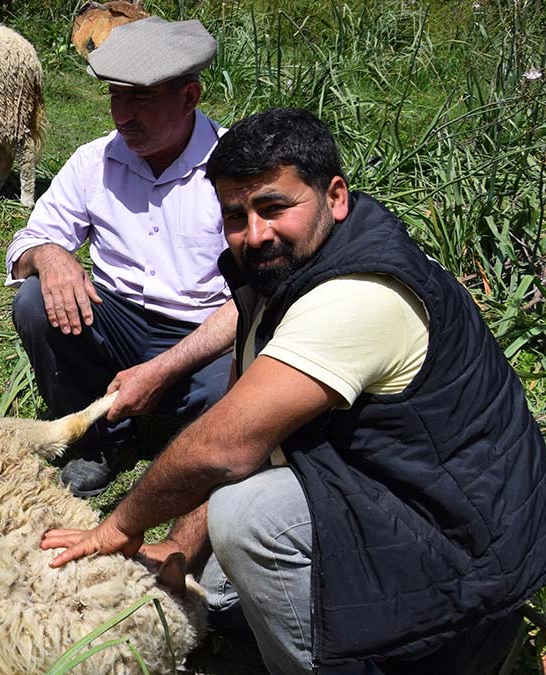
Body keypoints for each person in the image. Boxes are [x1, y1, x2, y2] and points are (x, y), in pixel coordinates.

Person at [41, 108, 546, 674]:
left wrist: (119, 525)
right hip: (393, 484)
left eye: (273, 207)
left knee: (246, 519)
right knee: (209, 577)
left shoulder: (358, 293)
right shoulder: (291, 264)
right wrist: (179, 549)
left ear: (334, 196)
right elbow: (236, 412)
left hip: (464, 541)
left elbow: (222, 448)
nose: (255, 233)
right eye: (236, 215)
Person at [5, 17, 238, 497]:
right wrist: (49, 255)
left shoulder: (234, 167)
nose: (123, 116)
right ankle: (101, 440)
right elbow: (26, 243)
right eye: (116, 96)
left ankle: (189, 453)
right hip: (117, 317)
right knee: (34, 302)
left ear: (190, 97)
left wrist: (164, 369)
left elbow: (261, 292)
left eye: (143, 98)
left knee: (233, 386)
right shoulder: (95, 161)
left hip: (202, 333)